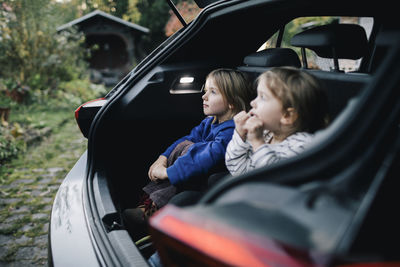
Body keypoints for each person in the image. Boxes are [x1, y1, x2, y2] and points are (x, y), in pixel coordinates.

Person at [122, 68, 254, 237]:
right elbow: (187, 137)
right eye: (205, 91)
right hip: (197, 174)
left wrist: (168, 172)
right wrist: (162, 158)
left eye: (212, 92)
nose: (204, 96)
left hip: (212, 181)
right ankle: (149, 202)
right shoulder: (210, 122)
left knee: (191, 150)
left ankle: (153, 210)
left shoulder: (231, 131)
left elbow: (207, 158)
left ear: (232, 102)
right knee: (186, 144)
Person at [225, 66, 329, 175]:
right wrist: (240, 135)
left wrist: (258, 143)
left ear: (287, 116)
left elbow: (274, 177)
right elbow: (238, 170)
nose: (252, 103)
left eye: (263, 97)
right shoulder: (266, 134)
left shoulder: (303, 145)